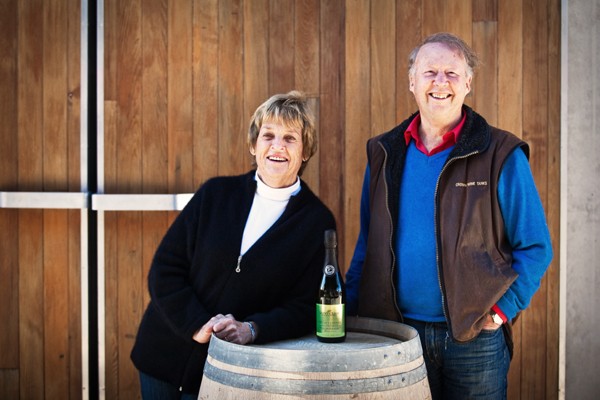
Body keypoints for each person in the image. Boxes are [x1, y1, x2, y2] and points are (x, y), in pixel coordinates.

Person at [345, 32, 553, 399]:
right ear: (412, 82)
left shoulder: (500, 153)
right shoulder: (384, 152)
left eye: (452, 74)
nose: (440, 82)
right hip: (397, 336)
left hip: (474, 342)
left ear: (468, 83)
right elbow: (369, 245)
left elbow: (536, 247)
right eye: (430, 72)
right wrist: (348, 311)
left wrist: (502, 311)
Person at [131, 90, 336, 399]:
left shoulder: (316, 222)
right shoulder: (214, 194)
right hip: (164, 354)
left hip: (230, 372)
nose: (277, 146)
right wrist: (197, 325)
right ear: (254, 145)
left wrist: (253, 329)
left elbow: (307, 306)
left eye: (290, 138)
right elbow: (165, 269)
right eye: (268, 135)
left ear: (306, 150)